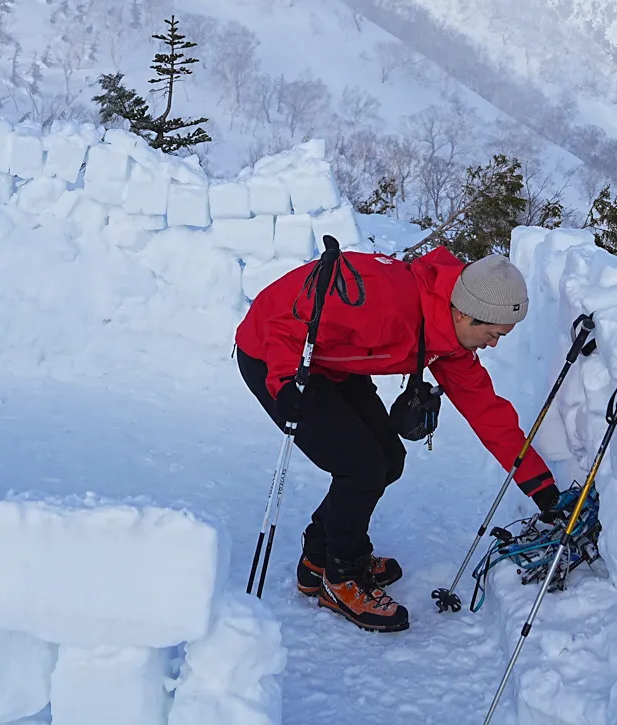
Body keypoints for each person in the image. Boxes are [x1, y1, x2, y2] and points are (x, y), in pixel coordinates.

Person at [235, 247, 560, 633]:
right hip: (275, 356)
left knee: (388, 457)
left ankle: (318, 557)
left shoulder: (450, 341)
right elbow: (288, 320)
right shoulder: (385, 302)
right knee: (361, 466)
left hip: (333, 361)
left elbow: (490, 415)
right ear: (464, 312)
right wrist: (284, 382)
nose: (494, 345)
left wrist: (543, 490)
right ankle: (342, 578)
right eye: (492, 334)